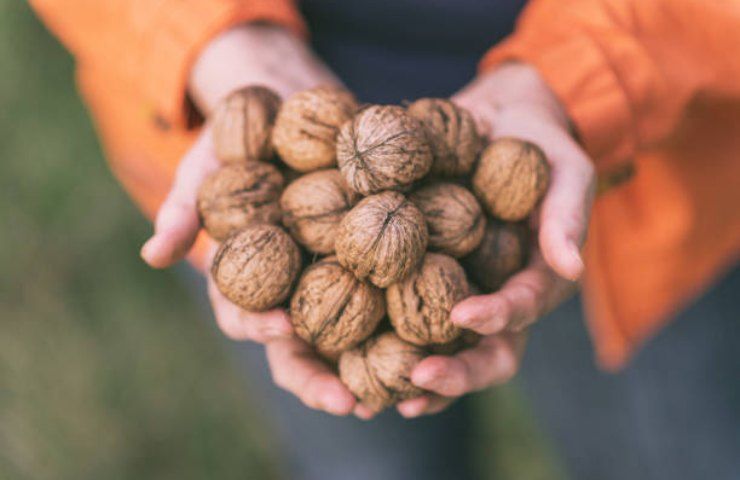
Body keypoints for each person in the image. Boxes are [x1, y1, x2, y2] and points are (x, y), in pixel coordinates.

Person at [29, 0, 740, 479]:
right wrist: (217, 42)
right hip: (238, 103)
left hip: (649, 177)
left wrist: (586, 67)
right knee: (361, 455)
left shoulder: (446, 207)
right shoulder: (294, 210)